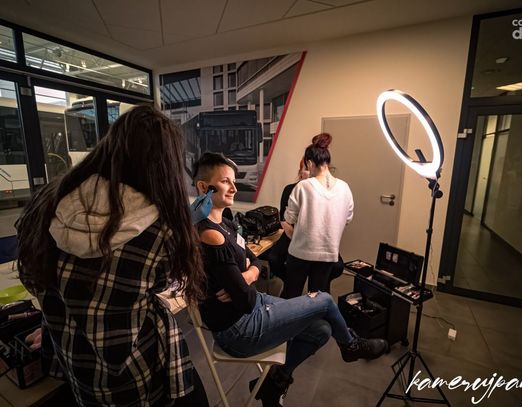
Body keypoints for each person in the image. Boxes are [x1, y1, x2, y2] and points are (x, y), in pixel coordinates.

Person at [16, 105, 209, 407]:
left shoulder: (47, 203)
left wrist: (65, 305)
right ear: (163, 165)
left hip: (74, 364)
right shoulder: (158, 226)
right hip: (135, 371)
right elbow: (162, 284)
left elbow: (31, 276)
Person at [192, 152, 387, 407]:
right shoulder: (210, 235)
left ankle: (275, 382)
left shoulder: (226, 224)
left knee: (322, 330)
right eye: (225, 181)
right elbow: (246, 301)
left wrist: (248, 275)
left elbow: (256, 261)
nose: (234, 188)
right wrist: (244, 283)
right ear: (204, 187)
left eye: (233, 181)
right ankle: (350, 345)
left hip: (254, 305)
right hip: (239, 331)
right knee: (324, 300)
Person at [283, 133, 353, 299]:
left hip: (300, 252)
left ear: (309, 163)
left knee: (291, 295)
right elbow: (347, 219)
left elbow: (289, 219)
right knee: (317, 299)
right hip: (328, 254)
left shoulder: (303, 186)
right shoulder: (345, 188)